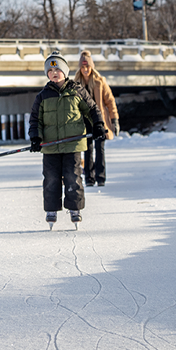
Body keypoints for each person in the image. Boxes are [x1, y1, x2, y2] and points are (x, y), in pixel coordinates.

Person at [28, 51, 105, 227]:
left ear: (65, 72)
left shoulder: (77, 91)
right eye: (50, 71)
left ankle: (75, 208)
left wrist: (98, 124)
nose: (54, 74)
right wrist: (35, 137)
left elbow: (92, 109)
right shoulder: (42, 96)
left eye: (58, 70)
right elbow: (35, 120)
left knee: (73, 176)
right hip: (50, 146)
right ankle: (51, 209)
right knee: (51, 178)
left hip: (72, 144)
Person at [74, 50, 120, 187]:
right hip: (85, 122)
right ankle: (89, 177)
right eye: (83, 67)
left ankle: (100, 177)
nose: (85, 70)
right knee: (87, 149)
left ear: (92, 66)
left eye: (87, 66)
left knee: (100, 149)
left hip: (99, 121)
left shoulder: (100, 82)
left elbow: (110, 101)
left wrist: (114, 120)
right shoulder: (76, 83)